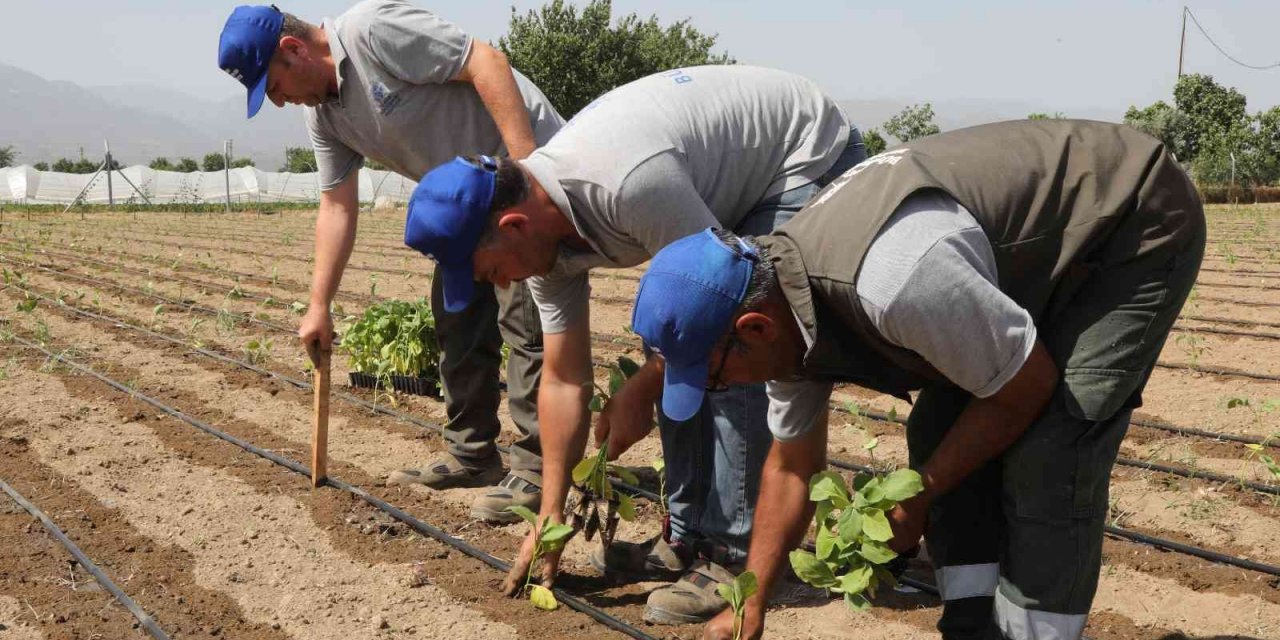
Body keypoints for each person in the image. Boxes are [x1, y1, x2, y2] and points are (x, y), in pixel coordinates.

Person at [630, 120, 1205, 640]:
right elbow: (790, 466)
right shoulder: (780, 310)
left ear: (753, 329)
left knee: (1052, 453)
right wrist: (749, 600)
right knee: (939, 431)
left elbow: (1023, 388)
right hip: (1015, 261)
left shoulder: (894, 280)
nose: (720, 391)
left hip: (1127, 221)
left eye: (715, 379)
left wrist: (917, 501)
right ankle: (972, 627)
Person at [401, 65, 866, 624]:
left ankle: (737, 557)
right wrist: (549, 517)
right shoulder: (542, 248)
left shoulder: (628, 185)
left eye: (491, 269)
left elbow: (717, 305)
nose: (498, 284)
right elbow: (563, 378)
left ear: (517, 224)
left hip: (796, 154)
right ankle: (689, 536)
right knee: (675, 355)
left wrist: (641, 389)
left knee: (732, 351)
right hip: (715, 182)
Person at [217, 2, 564, 522]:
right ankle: (473, 454)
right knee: (456, 320)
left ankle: (538, 469)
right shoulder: (325, 116)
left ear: (292, 50)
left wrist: (530, 175)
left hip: (519, 179)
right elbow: (336, 205)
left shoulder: (373, 31)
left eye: (274, 88)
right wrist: (318, 304)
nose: (282, 103)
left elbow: (487, 62)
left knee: (526, 326)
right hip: (462, 206)